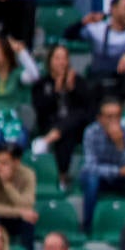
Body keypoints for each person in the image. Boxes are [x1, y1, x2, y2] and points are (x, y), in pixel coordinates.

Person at [33, 45, 96, 182]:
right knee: (65, 136)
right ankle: (62, 176)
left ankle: (49, 140)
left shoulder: (78, 81)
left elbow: (88, 109)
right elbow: (41, 110)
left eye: (64, 58)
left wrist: (72, 89)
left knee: (76, 116)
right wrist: (55, 91)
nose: (61, 62)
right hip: (51, 125)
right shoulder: (42, 83)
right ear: (50, 61)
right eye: (57, 58)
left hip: (78, 128)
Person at [78, 99, 125, 229]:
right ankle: (88, 226)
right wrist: (118, 171)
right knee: (91, 180)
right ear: (100, 118)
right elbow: (91, 166)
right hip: (100, 178)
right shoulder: (91, 132)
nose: (113, 121)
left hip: (121, 179)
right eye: (109, 117)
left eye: (117, 116)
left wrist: (120, 144)